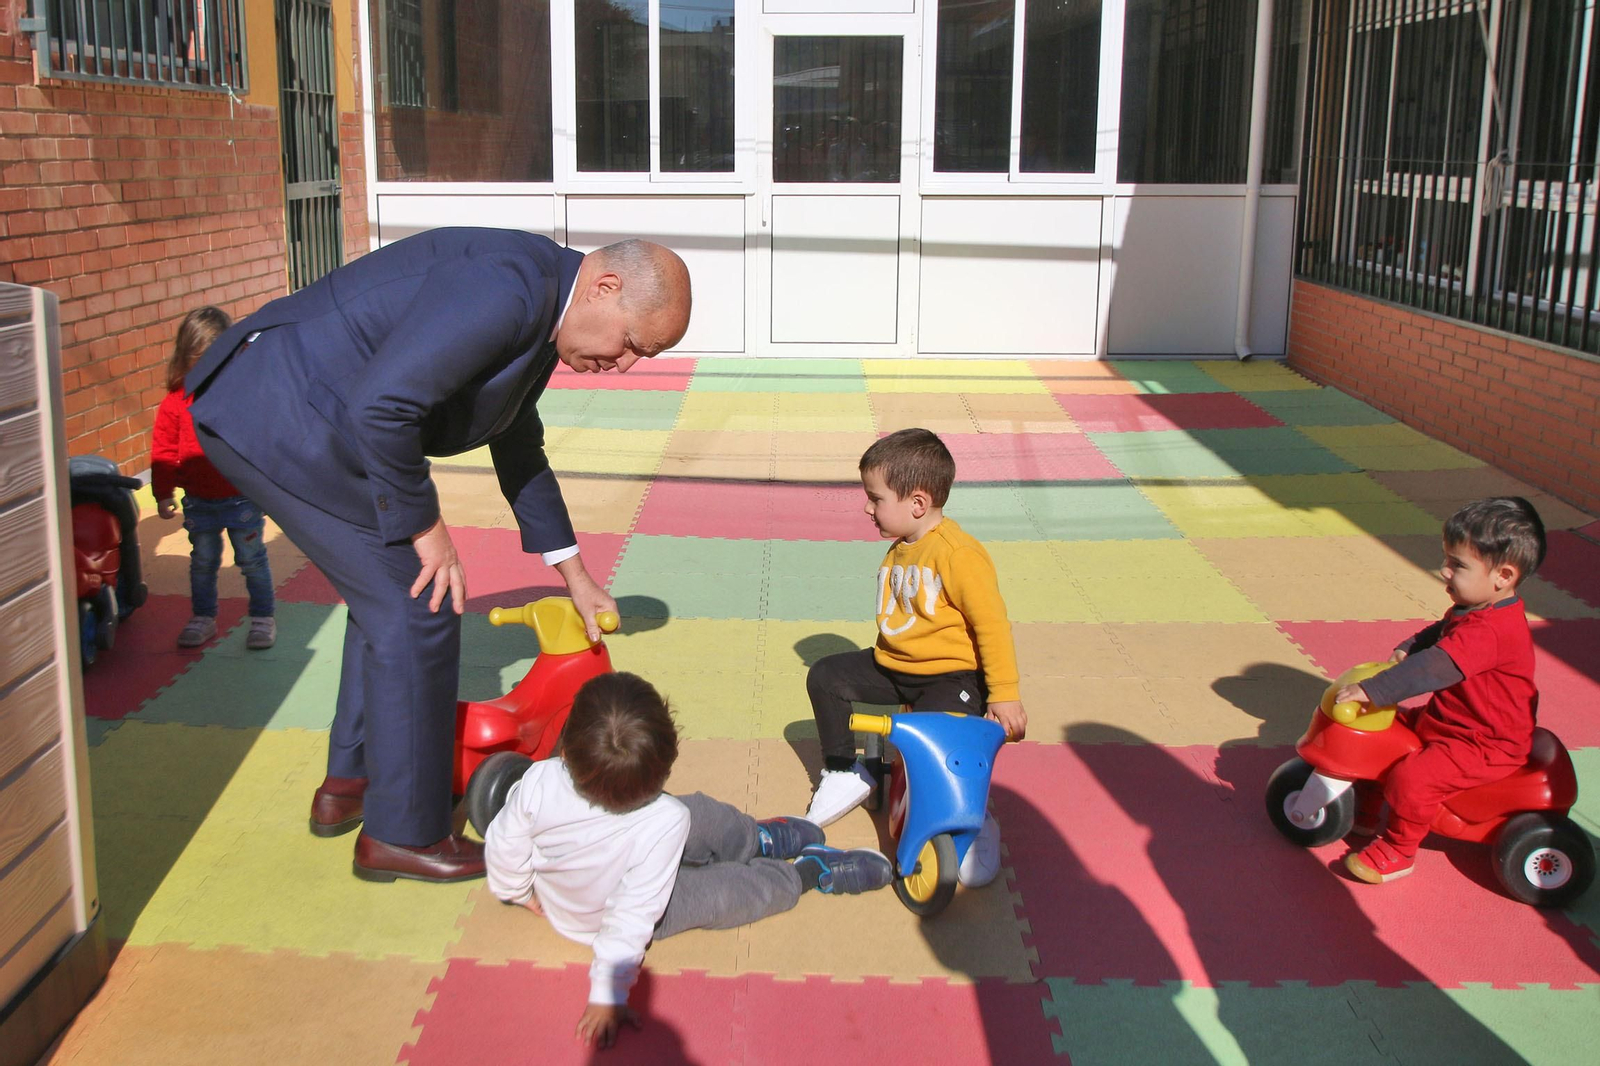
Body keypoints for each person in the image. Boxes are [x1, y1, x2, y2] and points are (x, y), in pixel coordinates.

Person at [184, 228, 692, 883]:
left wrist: (576, 575)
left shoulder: (544, 309)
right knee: (423, 601)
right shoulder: (508, 288)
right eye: (631, 345)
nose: (623, 366)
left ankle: (352, 783)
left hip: (293, 411)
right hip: (279, 411)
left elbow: (517, 442)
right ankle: (404, 832)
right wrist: (425, 527)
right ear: (605, 287)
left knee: (393, 597)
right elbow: (383, 405)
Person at [485, 672, 893, 1049]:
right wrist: (607, 995)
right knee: (728, 893)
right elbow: (631, 914)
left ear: (565, 747)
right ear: (663, 771)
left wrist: (518, 891)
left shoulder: (539, 779)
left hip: (593, 880)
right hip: (611, 912)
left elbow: (504, 842)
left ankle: (758, 839)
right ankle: (804, 873)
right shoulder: (665, 818)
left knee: (702, 814)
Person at [804, 428, 1027, 827]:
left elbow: (992, 625)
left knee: (939, 744)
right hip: (894, 668)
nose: (867, 508)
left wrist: (1004, 694)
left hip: (950, 677)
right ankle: (843, 771)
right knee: (825, 676)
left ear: (918, 503)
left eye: (876, 499)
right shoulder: (903, 546)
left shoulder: (958, 555)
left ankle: (967, 815)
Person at [1334, 496, 1546, 884]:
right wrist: (1412, 645)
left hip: (1485, 742)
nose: (1444, 570)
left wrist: (1375, 689)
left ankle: (1399, 850)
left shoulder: (1492, 631)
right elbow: (1443, 631)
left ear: (1503, 576)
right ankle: (1364, 809)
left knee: (1413, 779)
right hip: (1451, 720)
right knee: (1383, 737)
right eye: (1447, 559)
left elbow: (1436, 666)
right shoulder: (1477, 608)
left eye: (1458, 565)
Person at [149, 306, 276, 650]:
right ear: (185, 356)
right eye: (199, 358)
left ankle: (263, 617)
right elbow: (163, 449)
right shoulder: (175, 402)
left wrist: (267, 487)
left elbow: (259, 441)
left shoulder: (239, 394)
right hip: (199, 501)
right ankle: (203, 617)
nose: (207, 366)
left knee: (251, 559)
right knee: (203, 562)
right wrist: (163, 492)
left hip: (241, 498)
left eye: (214, 358)